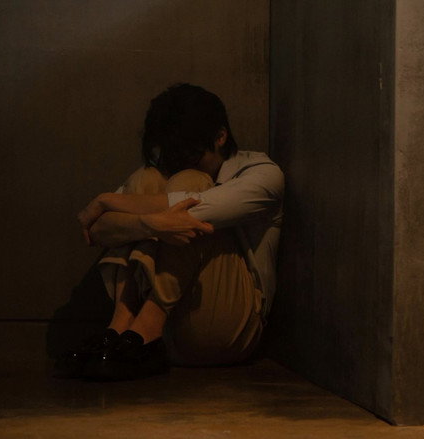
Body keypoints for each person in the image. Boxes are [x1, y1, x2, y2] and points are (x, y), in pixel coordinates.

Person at [55, 83, 284, 381]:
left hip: (226, 331)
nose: (178, 164)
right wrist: (149, 224)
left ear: (220, 136)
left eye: (190, 154)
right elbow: (97, 230)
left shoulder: (262, 174)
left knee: (191, 183)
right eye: (172, 156)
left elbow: (184, 213)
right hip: (169, 335)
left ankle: (145, 330)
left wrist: (106, 201)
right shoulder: (161, 172)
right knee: (146, 178)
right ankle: (121, 328)